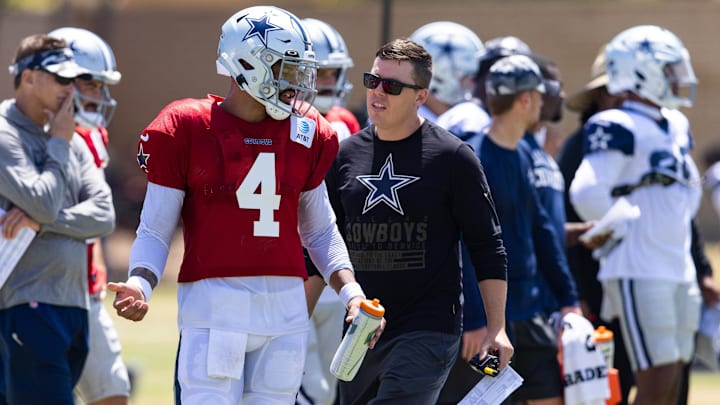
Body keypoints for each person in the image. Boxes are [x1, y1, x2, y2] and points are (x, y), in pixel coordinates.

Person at [107, 6, 383, 404]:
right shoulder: (187, 125)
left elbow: (320, 230)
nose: (298, 85)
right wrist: (140, 282)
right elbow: (155, 228)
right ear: (249, 63)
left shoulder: (308, 131)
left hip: (285, 309)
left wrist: (352, 293)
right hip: (216, 306)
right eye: (287, 70)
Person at [326, 37, 513, 405]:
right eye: (373, 80)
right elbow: (323, 244)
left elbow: (487, 246)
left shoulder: (453, 157)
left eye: (392, 86)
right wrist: (298, 325)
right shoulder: (345, 155)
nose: (378, 92)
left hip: (428, 328)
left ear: (421, 96)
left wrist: (498, 328)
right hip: (361, 330)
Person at [569, 25, 702, 405]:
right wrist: (623, 229)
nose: (679, 78)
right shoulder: (615, 123)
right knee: (655, 371)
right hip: (638, 264)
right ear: (641, 71)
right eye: (670, 69)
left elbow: (688, 190)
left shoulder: (675, 124)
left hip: (675, 261)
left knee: (676, 365)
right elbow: (587, 191)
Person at [0, 34, 115, 403]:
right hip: (25, 302)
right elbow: (43, 201)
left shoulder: (69, 136)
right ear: (29, 77)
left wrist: (41, 223)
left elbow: (103, 214)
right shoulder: (7, 134)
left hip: (72, 303)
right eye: (61, 79)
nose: (71, 89)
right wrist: (61, 143)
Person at [476, 54, 581, 405]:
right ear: (525, 100)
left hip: (529, 311)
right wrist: (476, 320)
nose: (542, 103)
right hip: (491, 320)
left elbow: (542, 232)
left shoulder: (523, 154)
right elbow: (461, 244)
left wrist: (568, 301)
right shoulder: (473, 157)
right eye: (539, 95)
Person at [48, 26, 132, 405]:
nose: (98, 96)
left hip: (86, 291)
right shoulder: (22, 134)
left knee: (112, 393)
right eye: (89, 83)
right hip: (39, 289)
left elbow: (99, 218)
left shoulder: (94, 137)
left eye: (101, 86)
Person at [296, 17, 360, 405]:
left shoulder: (345, 121)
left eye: (334, 73)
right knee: (304, 388)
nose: (330, 81)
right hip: (294, 271)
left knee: (336, 387)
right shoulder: (283, 124)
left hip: (336, 270)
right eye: (322, 73)